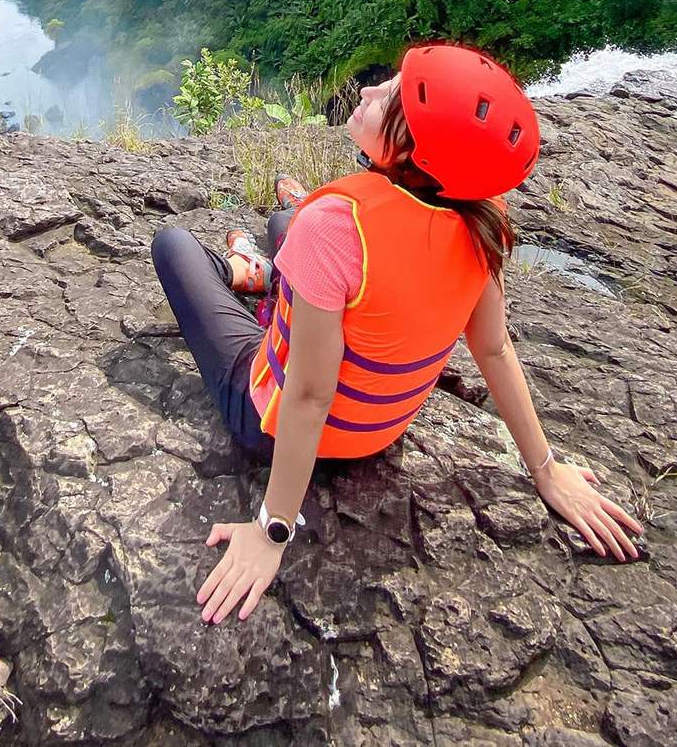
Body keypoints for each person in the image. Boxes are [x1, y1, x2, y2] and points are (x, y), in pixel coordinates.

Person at [150, 42, 644, 626]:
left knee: (176, 246)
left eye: (391, 96)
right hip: (377, 434)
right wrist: (545, 470)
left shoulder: (335, 224)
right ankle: (267, 269)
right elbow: (494, 347)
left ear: (412, 151)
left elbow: (308, 397)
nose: (368, 90)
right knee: (287, 222)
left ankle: (245, 272)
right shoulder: (480, 220)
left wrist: (271, 531)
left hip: (271, 425)